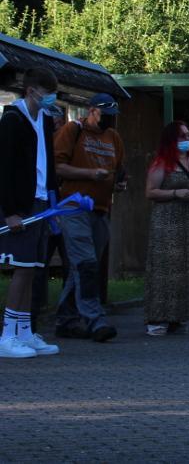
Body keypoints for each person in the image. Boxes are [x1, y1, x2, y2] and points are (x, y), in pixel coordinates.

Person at [0, 66, 62, 358]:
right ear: (31, 91)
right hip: (21, 206)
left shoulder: (45, 120)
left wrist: (53, 203)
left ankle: (24, 331)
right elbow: (5, 169)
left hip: (41, 202)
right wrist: (10, 211)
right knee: (22, 268)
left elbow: (48, 165)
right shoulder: (12, 120)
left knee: (35, 268)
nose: (51, 99)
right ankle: (7, 334)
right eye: (48, 94)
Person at [53, 92, 125, 342]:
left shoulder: (113, 137)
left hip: (101, 209)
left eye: (113, 116)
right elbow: (57, 167)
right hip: (74, 208)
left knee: (81, 266)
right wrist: (90, 174)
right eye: (105, 115)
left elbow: (119, 171)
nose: (109, 121)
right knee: (86, 264)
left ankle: (66, 320)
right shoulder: (73, 131)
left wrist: (118, 183)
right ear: (92, 110)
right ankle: (96, 320)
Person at [143, 121, 189, 337]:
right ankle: (157, 317)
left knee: (186, 268)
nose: (187, 139)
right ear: (171, 140)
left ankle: (178, 317)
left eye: (188, 135)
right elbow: (150, 192)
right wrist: (176, 193)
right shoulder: (162, 163)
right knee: (165, 267)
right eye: (181, 136)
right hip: (167, 221)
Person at [30, 106, 70, 334]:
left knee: (70, 264)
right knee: (36, 265)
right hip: (45, 209)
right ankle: (32, 318)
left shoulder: (62, 142)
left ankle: (65, 318)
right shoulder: (41, 144)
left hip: (61, 209)